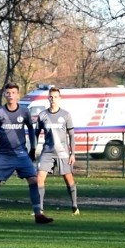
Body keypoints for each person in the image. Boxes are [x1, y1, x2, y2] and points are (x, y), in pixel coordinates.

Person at [0, 82, 53, 224]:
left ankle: (38, 215)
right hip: (4, 155)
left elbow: (31, 130)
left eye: (13, 93)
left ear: (18, 95)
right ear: (5, 95)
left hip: (21, 153)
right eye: (8, 93)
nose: (11, 96)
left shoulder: (24, 111)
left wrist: (32, 148)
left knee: (33, 180)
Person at [35, 87, 79, 215]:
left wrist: (73, 154)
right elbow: (36, 134)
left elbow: (71, 135)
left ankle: (75, 206)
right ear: (48, 98)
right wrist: (32, 149)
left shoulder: (65, 115)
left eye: (55, 97)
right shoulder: (42, 115)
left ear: (59, 98)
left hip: (62, 153)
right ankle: (40, 208)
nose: (53, 99)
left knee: (68, 179)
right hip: (47, 152)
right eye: (51, 97)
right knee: (39, 178)